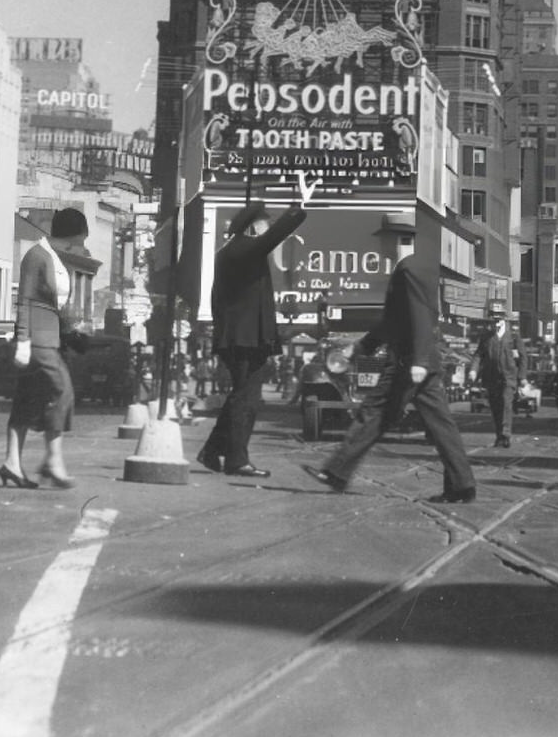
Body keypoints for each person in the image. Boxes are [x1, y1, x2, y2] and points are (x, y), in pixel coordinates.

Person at [302, 218, 476, 503]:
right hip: (419, 359)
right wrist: (357, 349)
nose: (380, 248)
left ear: (396, 241)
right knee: (440, 424)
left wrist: (418, 360)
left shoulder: (408, 270)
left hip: (408, 362)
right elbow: (390, 323)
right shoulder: (412, 267)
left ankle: (336, 471)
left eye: (383, 241)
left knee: (374, 413)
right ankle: (462, 484)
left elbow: (419, 314)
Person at [197, 186, 313, 479]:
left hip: (245, 337)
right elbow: (274, 237)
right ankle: (237, 460)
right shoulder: (241, 250)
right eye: (264, 224)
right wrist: (298, 205)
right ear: (253, 226)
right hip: (243, 338)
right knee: (246, 399)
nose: (268, 229)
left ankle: (212, 451)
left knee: (242, 395)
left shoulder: (234, 252)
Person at [1, 207, 91, 490]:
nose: (81, 246)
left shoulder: (56, 258)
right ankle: (53, 461)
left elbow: (57, 305)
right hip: (38, 340)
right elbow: (25, 300)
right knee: (62, 390)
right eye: (80, 239)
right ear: (70, 235)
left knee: (27, 400)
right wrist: (23, 340)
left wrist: (70, 333)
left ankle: (12, 464)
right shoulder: (37, 256)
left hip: (49, 337)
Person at [476, 306, 522, 447]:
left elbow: (523, 357)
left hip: (508, 377)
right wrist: (473, 370)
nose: (496, 322)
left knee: (506, 404)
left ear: (504, 320)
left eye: (499, 319)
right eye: (493, 318)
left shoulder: (513, 336)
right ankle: (499, 436)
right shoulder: (486, 337)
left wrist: (522, 376)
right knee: (496, 407)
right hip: (491, 378)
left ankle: (506, 435)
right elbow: (479, 355)